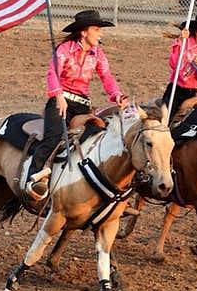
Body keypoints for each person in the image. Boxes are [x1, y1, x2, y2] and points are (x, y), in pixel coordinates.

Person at [25, 10, 129, 200]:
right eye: (96, 29)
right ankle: (32, 179)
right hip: (60, 101)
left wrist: (117, 95)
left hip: (82, 106)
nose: (100, 33)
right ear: (84, 32)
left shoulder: (97, 53)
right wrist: (58, 96)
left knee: (97, 133)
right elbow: (52, 74)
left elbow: (107, 77)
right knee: (53, 136)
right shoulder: (64, 49)